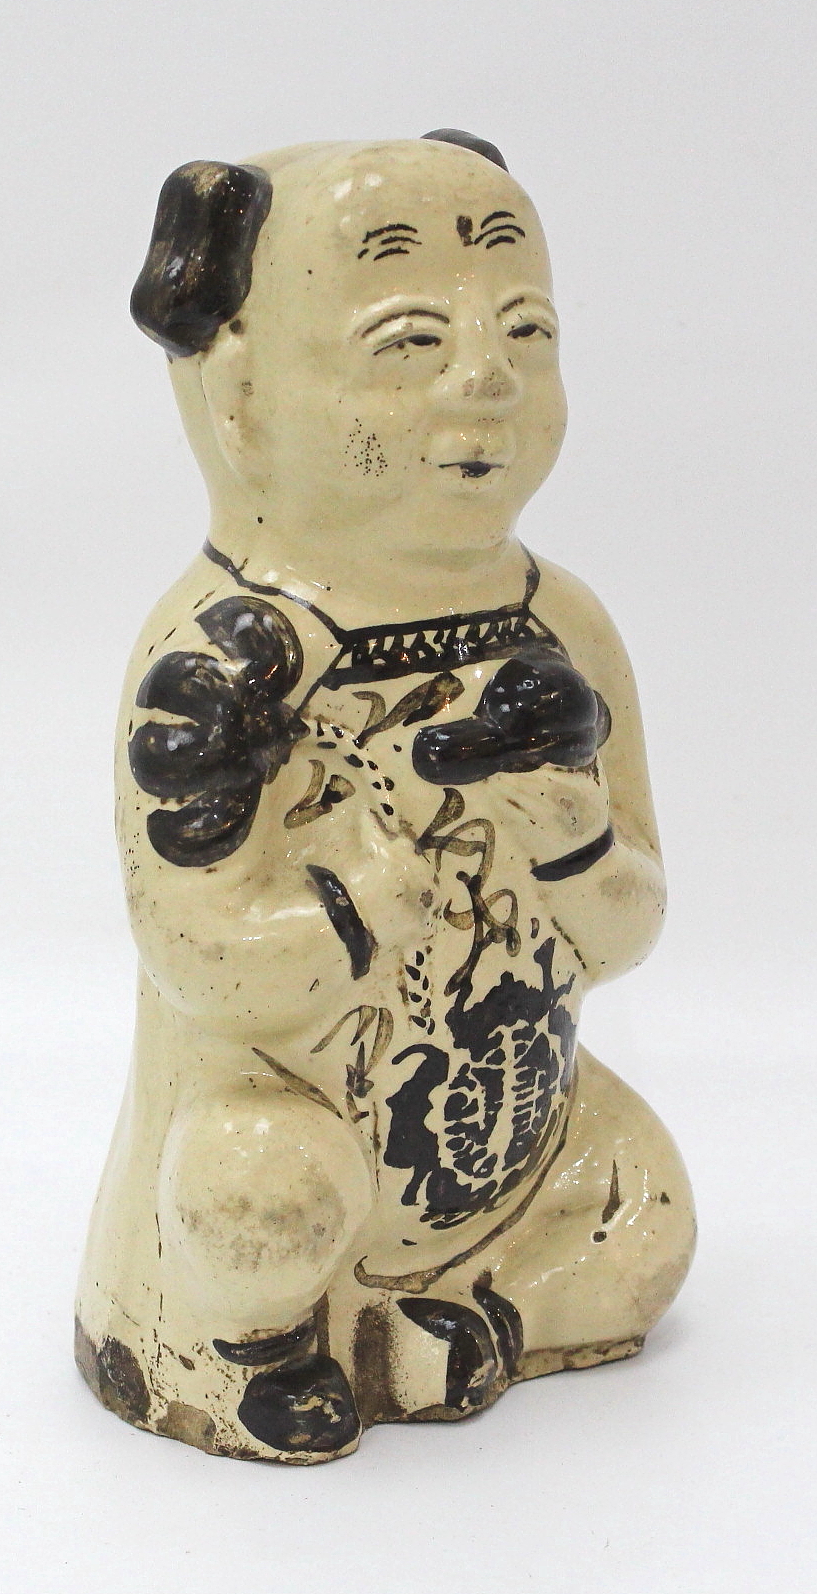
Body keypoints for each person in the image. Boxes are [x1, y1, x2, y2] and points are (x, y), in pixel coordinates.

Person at [76, 131, 695, 1462]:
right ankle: (261, 1347)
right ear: (236, 391)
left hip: (521, 1125)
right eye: (408, 342)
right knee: (260, 1191)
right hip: (300, 1121)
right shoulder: (228, 661)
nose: (485, 375)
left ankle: (465, 1311)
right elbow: (208, 958)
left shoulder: (560, 623)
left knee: (645, 1217)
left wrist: (577, 846)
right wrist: (364, 891)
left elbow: (628, 929)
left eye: (525, 332)